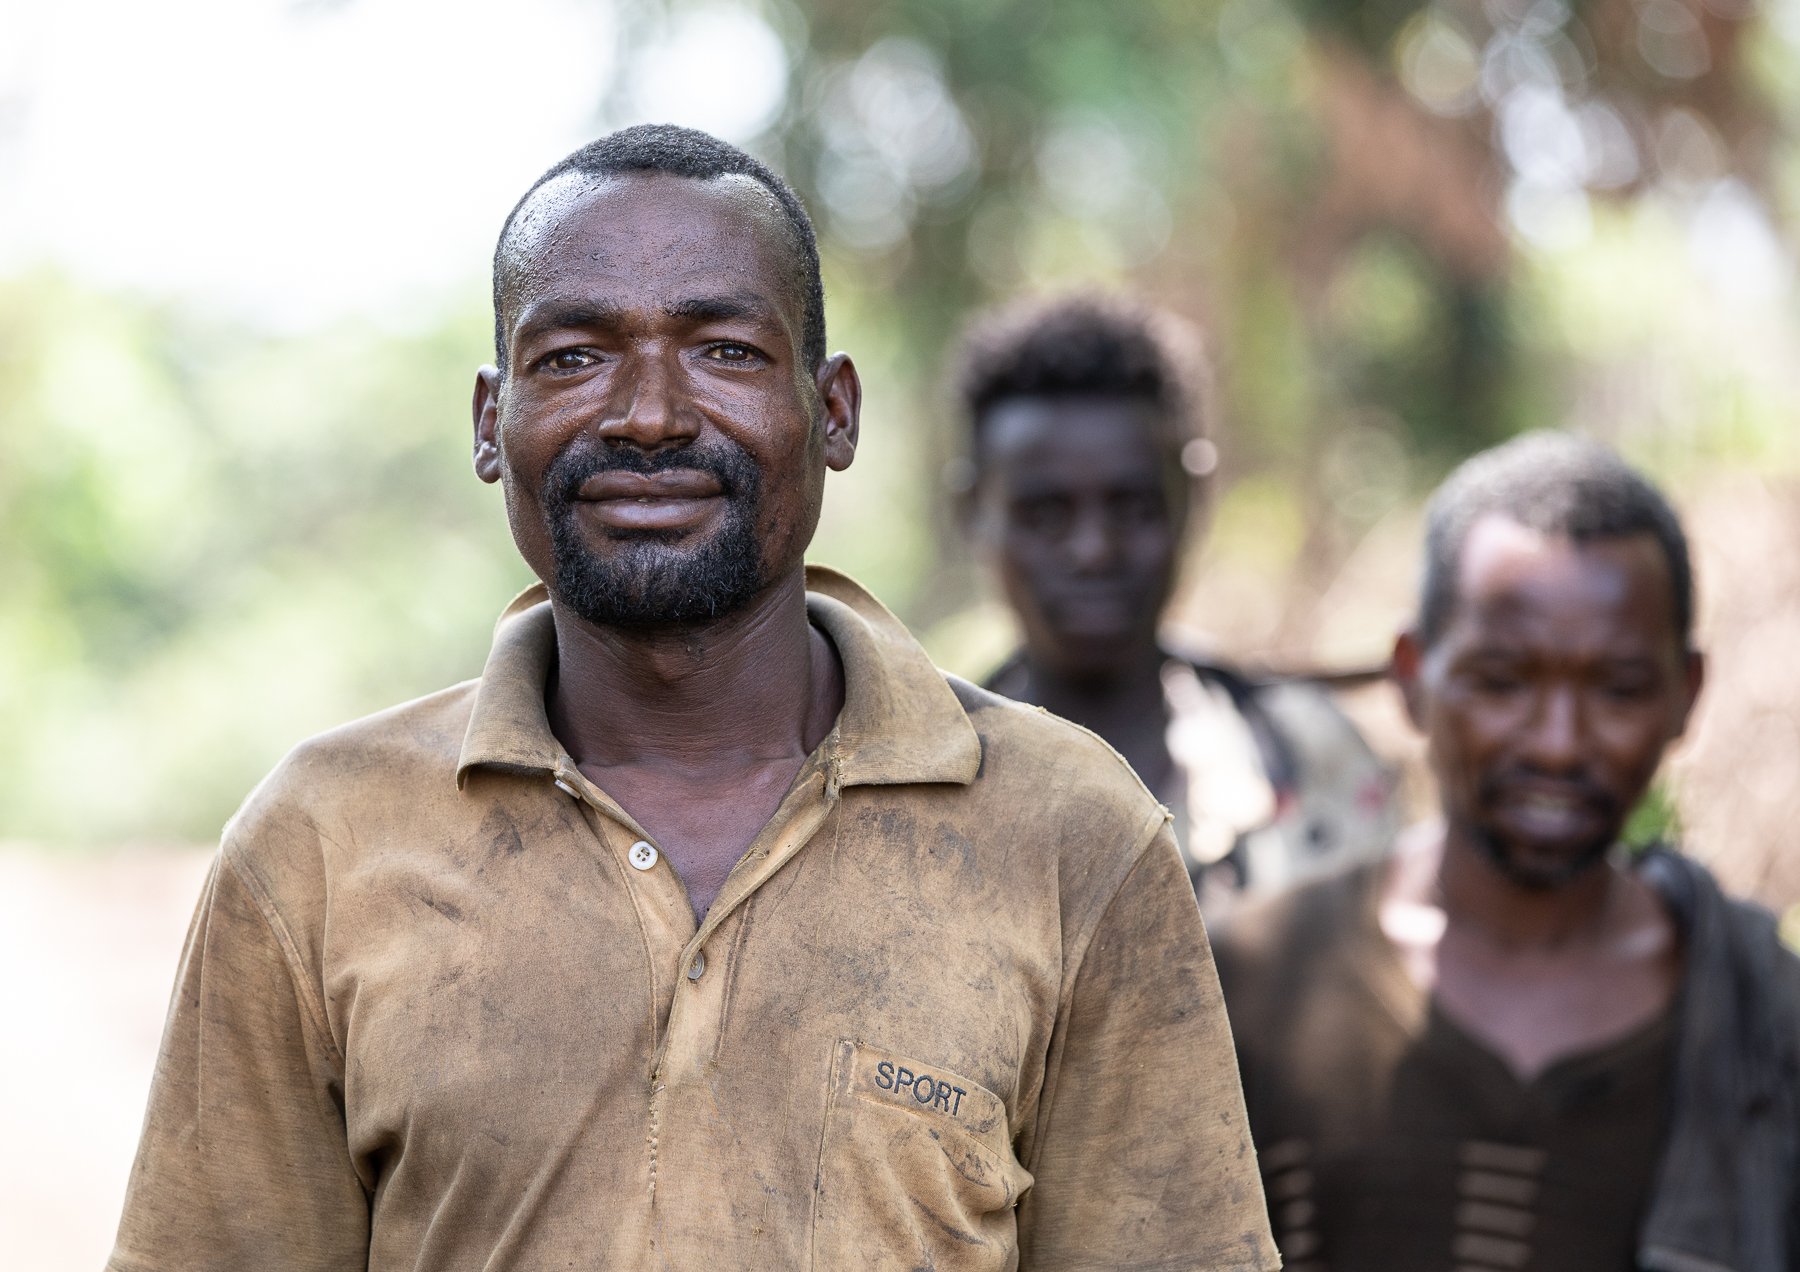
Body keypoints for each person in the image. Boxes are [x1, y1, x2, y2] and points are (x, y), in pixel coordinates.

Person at [108, 126, 1278, 1271]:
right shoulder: (322, 844)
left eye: (724, 351)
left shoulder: (1071, 836)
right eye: (572, 357)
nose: (651, 415)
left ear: (834, 413)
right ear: (488, 420)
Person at [1212, 432, 1800, 1271]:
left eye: (1618, 689)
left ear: (1686, 694)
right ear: (1412, 676)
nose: (1559, 744)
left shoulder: (1764, 1026)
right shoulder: (1241, 981)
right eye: (1502, 681)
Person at [957, 293, 1399, 912]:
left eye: (1134, 509)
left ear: (1192, 498)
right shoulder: (915, 790)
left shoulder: (1306, 757)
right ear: (973, 511)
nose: (1094, 550)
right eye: (1046, 514)